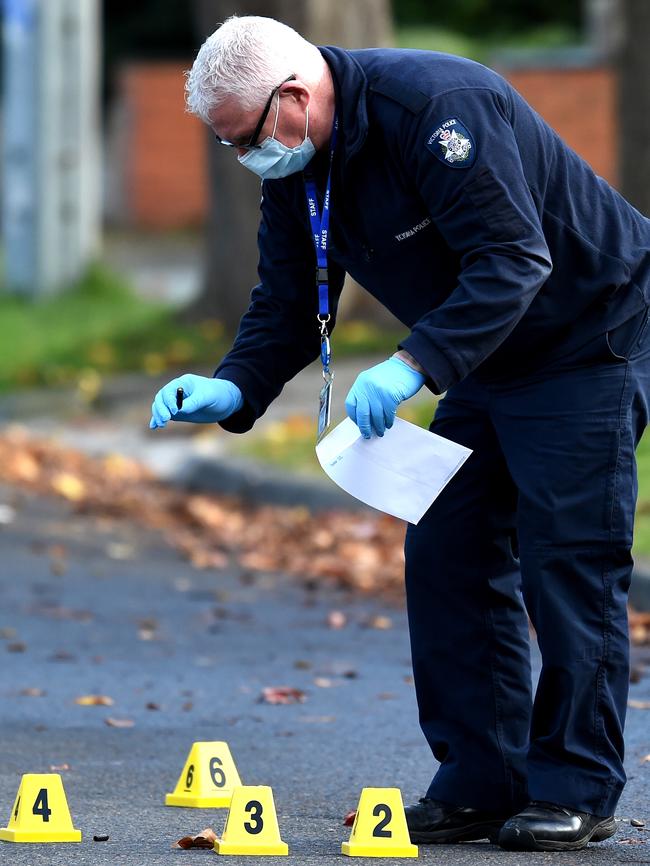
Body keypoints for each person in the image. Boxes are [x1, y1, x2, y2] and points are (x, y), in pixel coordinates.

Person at [150, 15, 650, 852]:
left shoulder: (440, 108)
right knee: (447, 547)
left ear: (296, 96)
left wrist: (412, 365)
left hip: (588, 337)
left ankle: (577, 787)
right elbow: (285, 303)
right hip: (487, 354)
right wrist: (232, 387)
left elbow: (513, 258)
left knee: (567, 557)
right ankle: (483, 780)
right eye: (232, 148)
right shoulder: (300, 163)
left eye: (246, 141)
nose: (248, 161)